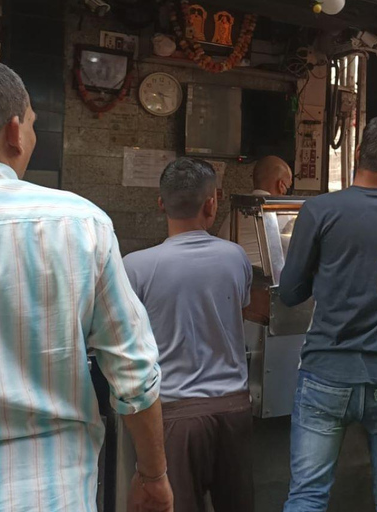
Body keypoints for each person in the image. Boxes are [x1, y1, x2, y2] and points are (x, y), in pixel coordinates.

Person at [0, 60, 172, 511]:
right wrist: (152, 476)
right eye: (33, 124)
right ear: (14, 131)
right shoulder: (78, 223)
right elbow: (133, 374)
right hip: (48, 492)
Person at [279, 116, 377, 512]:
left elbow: (290, 292)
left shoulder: (319, 209)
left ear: (356, 154)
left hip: (326, 371)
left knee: (307, 494)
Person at [123, 158, 254, 512]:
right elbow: (238, 311)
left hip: (173, 416)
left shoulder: (134, 267)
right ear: (212, 202)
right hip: (233, 409)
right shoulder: (236, 257)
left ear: (161, 203)